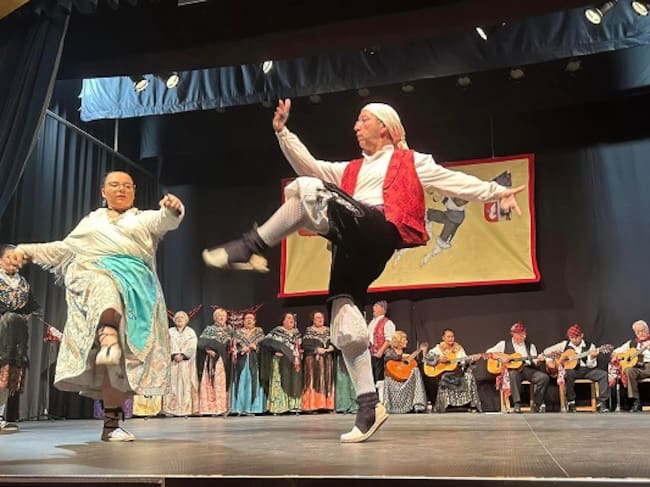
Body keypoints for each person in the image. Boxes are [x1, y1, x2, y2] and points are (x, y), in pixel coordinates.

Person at [203, 98, 524, 442]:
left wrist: (497, 192)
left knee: (309, 190)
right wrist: (283, 133)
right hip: (352, 245)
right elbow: (309, 166)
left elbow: (452, 181)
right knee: (345, 323)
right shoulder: (351, 170)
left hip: (378, 228)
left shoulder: (409, 160)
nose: (356, 126)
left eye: (363, 120)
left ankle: (250, 246)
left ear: (384, 127)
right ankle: (369, 406)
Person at [10, 171, 184, 441]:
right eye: (114, 185)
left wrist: (173, 210)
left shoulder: (141, 219)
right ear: (103, 191)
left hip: (135, 291)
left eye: (127, 186)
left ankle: (111, 426)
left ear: (134, 191)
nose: (121, 189)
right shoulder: (91, 222)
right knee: (104, 284)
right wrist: (26, 251)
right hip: (92, 276)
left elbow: (164, 220)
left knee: (116, 365)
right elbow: (63, 249)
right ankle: (107, 335)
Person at [0, 244, 40, 432]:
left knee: (7, 376)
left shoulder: (22, 282)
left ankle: (0, 416)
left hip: (14, 337)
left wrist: (22, 317)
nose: (14, 261)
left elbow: (31, 307)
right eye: (10, 257)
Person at [543, 324, 609, 413]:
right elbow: (547, 351)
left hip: (587, 370)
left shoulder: (590, 347)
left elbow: (591, 365)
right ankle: (571, 402)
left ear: (581, 336)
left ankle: (602, 403)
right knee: (568, 373)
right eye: (571, 338)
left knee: (603, 374)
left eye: (576, 337)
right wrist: (549, 361)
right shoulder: (564, 345)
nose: (573, 340)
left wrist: (592, 357)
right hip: (573, 371)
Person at [486, 322, 549, 413]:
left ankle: (536, 404)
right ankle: (517, 404)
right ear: (513, 334)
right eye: (520, 334)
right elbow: (488, 353)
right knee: (513, 375)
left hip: (527, 369)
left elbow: (535, 362)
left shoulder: (530, 346)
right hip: (513, 370)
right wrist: (501, 357)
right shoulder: (503, 344)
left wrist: (539, 360)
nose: (523, 336)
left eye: (523, 334)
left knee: (544, 378)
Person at [426, 328, 482, 413]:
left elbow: (464, 360)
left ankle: (472, 405)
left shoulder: (458, 348)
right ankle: (442, 405)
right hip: (444, 374)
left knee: (469, 376)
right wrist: (438, 359)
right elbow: (426, 358)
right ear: (443, 338)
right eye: (448, 337)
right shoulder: (438, 349)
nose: (451, 339)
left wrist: (471, 360)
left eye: (452, 337)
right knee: (445, 377)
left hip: (458, 373)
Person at [259, 312, 303, 414]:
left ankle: (294, 405)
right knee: (280, 382)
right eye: (288, 318)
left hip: (294, 362)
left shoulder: (297, 333)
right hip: (280, 361)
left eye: (292, 318)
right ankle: (279, 406)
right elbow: (264, 343)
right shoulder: (277, 332)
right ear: (283, 321)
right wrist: (274, 351)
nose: (291, 320)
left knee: (295, 382)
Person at [163, 311, 199, 416]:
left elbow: (193, 346)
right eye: (177, 317)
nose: (179, 319)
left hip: (186, 363)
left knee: (186, 384)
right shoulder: (169, 332)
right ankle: (171, 409)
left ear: (186, 320)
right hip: (172, 362)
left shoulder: (190, 332)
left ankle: (186, 409)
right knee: (172, 385)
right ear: (174, 320)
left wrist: (183, 355)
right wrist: (174, 355)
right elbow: (164, 345)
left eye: (182, 317)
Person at [382, 331, 428, 414]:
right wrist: (400, 356)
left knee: (416, 370)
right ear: (399, 341)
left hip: (406, 379)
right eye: (405, 339)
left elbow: (416, 363)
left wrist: (423, 352)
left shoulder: (407, 351)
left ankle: (418, 404)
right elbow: (387, 357)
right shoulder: (390, 351)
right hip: (393, 380)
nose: (407, 341)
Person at [197, 307, 232, 416]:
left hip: (226, 360)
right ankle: (210, 408)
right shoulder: (209, 329)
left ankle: (222, 407)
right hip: (212, 360)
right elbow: (201, 343)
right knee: (212, 382)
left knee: (224, 383)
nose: (221, 318)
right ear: (215, 318)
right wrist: (208, 350)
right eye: (219, 316)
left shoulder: (230, 330)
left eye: (223, 316)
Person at [231, 311, 266, 415]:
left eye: (251, 319)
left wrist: (255, 347)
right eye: (247, 319)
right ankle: (240, 407)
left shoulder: (259, 332)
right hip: (241, 360)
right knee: (241, 381)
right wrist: (241, 349)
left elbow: (264, 346)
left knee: (254, 381)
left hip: (254, 360)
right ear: (243, 321)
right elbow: (233, 347)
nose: (249, 321)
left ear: (254, 321)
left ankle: (253, 408)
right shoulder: (238, 333)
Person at [611, 319, 650, 412]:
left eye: (643, 330)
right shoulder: (632, 343)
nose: (641, 333)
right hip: (638, 368)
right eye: (638, 332)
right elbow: (615, 352)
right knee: (629, 370)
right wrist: (615, 356)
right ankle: (636, 401)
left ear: (647, 330)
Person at [301, 310, 335, 412]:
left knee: (327, 381)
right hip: (313, 360)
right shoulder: (309, 331)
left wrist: (332, 347)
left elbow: (336, 343)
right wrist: (316, 349)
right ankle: (313, 405)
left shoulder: (328, 331)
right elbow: (305, 345)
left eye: (321, 317)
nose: (320, 319)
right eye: (317, 318)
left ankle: (327, 405)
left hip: (327, 360)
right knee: (314, 381)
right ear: (313, 320)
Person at [367, 300, 395, 403]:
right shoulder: (372, 322)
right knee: (371, 377)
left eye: (376, 306)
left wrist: (381, 351)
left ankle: (382, 401)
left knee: (380, 378)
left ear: (383, 309)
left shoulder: (387, 323)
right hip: (370, 353)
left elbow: (389, 339)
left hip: (381, 354)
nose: (373, 308)